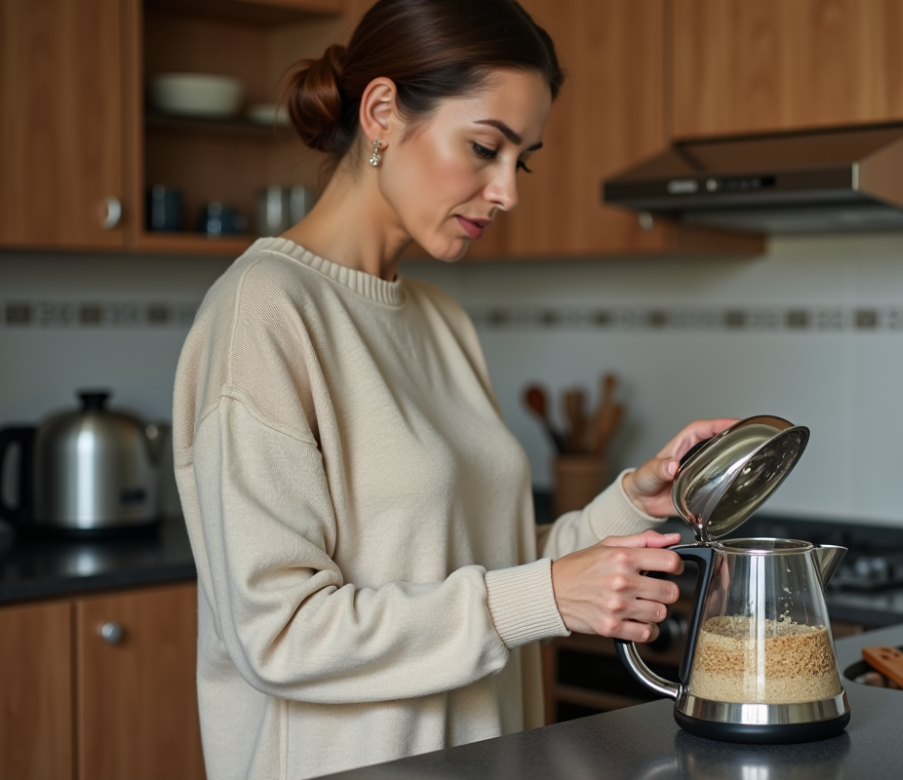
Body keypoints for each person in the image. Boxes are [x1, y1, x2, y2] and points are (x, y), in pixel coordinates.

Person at [172, 2, 734, 778]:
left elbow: (487, 567)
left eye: (521, 160)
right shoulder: (263, 311)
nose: (506, 191)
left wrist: (635, 502)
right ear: (382, 113)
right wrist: (543, 594)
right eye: (484, 147)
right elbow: (281, 635)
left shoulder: (440, 320)